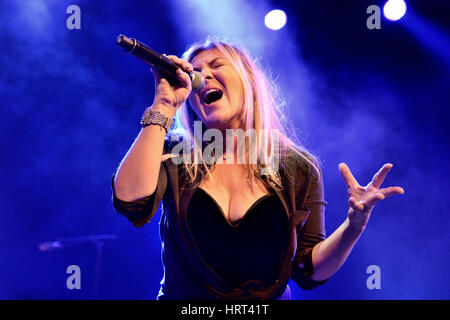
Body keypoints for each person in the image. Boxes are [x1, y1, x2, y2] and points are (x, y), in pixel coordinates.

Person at [111, 37, 404, 300]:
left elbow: (307, 269)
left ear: (248, 80)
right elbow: (130, 201)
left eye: (216, 65)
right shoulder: (173, 151)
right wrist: (162, 107)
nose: (203, 76)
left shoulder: (296, 166)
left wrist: (353, 227)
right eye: (195, 71)